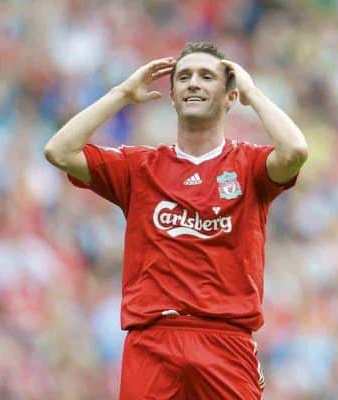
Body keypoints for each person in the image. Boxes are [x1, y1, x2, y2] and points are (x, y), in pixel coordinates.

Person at [44, 42, 308, 400]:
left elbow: (295, 151)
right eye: (183, 77)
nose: (193, 83)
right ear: (172, 97)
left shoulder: (249, 166)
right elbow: (59, 151)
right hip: (153, 340)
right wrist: (121, 93)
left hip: (226, 341)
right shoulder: (140, 168)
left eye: (206, 76)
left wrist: (253, 93)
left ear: (229, 97)